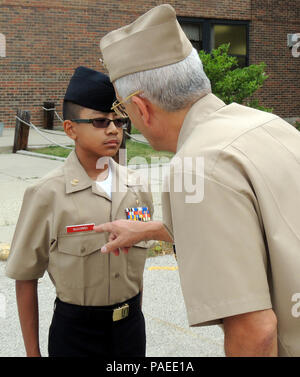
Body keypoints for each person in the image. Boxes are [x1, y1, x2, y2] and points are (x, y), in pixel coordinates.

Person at [95, 4, 300, 357]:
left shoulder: (197, 165)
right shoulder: (268, 125)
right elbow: (266, 225)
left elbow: (255, 331)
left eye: (122, 110)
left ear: (141, 108)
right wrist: (150, 229)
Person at [5, 66, 154, 357]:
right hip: (76, 336)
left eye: (119, 121)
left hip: (131, 331)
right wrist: (33, 354)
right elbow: (25, 277)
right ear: (71, 128)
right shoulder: (47, 194)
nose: (113, 130)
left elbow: (136, 269)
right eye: (99, 122)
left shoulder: (137, 186)